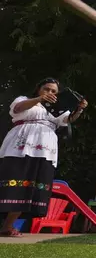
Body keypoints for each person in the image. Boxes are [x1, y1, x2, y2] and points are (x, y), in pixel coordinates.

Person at [0, 78, 88, 237]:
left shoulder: (58, 108)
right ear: (38, 89)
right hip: (20, 146)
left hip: (44, 149)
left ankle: (7, 226)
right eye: (46, 89)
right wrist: (39, 100)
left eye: (54, 91)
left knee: (29, 187)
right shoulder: (25, 100)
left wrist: (79, 109)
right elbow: (18, 108)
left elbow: (66, 120)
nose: (50, 93)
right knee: (11, 182)